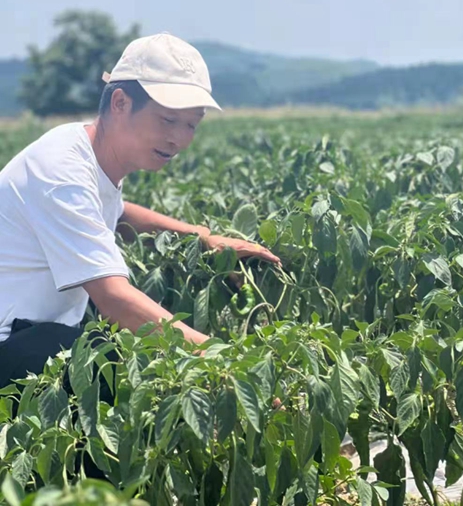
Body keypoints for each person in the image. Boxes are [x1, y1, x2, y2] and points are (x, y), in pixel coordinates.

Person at [0, 32, 280, 390]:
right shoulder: (60, 170)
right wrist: (223, 361)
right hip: (11, 343)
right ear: (120, 103)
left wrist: (204, 239)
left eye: (191, 124)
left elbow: (118, 214)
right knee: (119, 369)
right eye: (167, 121)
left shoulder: (87, 152)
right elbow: (114, 298)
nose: (178, 139)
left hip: (38, 333)